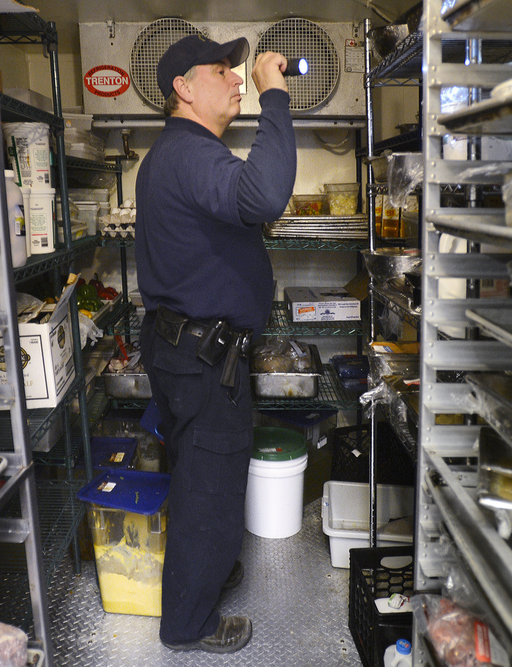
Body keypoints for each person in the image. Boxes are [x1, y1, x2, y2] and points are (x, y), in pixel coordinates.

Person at [135, 34, 296, 654]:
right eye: (221, 69)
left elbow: (240, 211)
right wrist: (273, 93)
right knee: (210, 485)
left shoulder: (183, 153)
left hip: (191, 350)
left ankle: (203, 570)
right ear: (183, 87)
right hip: (203, 357)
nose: (235, 79)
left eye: (238, 71)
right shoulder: (189, 150)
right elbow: (262, 194)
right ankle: (190, 625)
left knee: (201, 471)